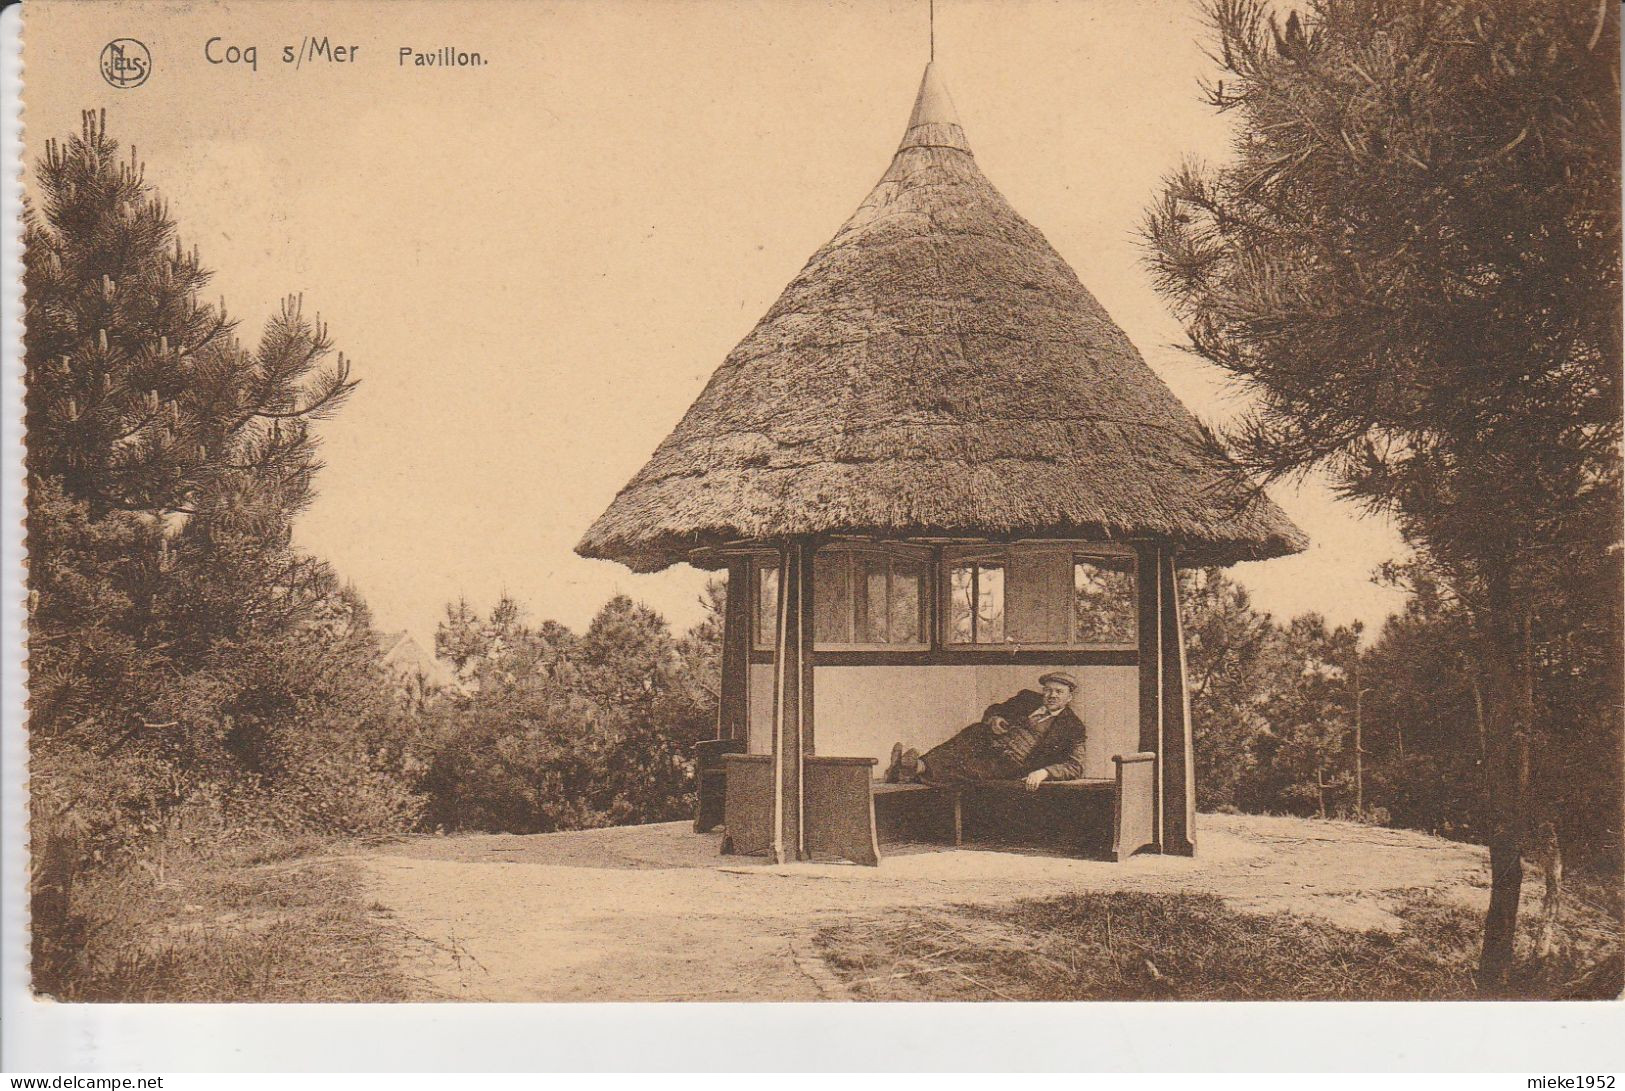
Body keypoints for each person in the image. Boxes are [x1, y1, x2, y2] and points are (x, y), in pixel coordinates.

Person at [884, 671, 1088, 791]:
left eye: (1059, 692)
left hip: (1012, 763)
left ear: (1069, 697)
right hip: (991, 741)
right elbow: (995, 709)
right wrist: (995, 719)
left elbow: (1075, 766)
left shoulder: (1072, 727)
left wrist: (1044, 772)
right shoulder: (1027, 699)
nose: (1051, 695)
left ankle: (910, 769)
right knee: (966, 738)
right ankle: (910, 767)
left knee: (968, 768)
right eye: (1048, 690)